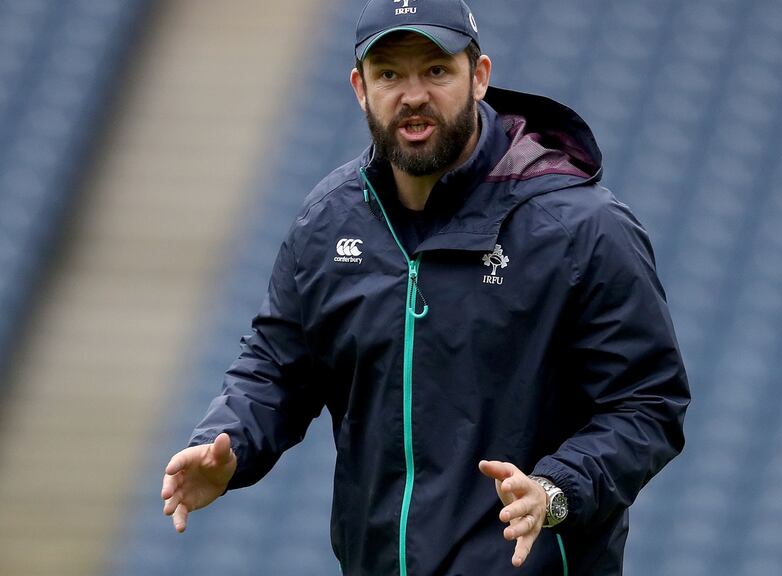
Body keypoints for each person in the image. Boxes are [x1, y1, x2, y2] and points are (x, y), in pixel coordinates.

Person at [159, 0, 690, 574]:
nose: (413, 95)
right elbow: (277, 367)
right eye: (390, 74)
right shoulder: (329, 222)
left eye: (436, 70)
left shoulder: (581, 228)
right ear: (360, 88)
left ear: (479, 77)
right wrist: (229, 442)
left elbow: (648, 403)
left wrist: (556, 490)